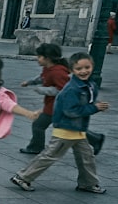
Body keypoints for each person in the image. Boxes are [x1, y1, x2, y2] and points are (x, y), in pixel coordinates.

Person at [10, 52, 110, 194]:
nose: (83, 71)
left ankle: (88, 183)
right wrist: (94, 108)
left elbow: (84, 104)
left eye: (87, 67)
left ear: (92, 66)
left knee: (86, 158)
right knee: (50, 156)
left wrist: (95, 106)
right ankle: (22, 177)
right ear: (72, 70)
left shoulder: (88, 85)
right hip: (66, 130)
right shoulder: (72, 89)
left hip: (78, 130)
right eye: (79, 69)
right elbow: (71, 111)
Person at [19, 43, 71, 154]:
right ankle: (95, 139)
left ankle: (36, 147)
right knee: (71, 128)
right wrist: (30, 82)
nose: (37, 59)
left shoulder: (58, 72)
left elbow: (62, 90)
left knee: (38, 125)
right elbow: (42, 78)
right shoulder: (49, 68)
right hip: (53, 104)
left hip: (57, 105)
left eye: (39, 57)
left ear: (47, 58)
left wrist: (42, 90)